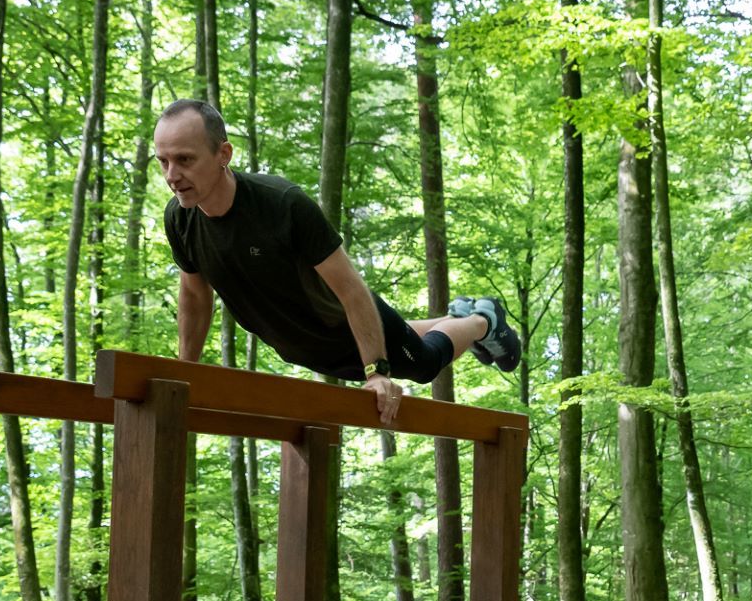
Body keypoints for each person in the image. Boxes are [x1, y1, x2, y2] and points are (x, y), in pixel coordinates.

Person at [155, 99, 521, 424]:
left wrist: (376, 372)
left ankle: (480, 320)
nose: (172, 175)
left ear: (223, 154)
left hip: (345, 326)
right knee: (403, 336)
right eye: (164, 161)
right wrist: (188, 371)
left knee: (422, 364)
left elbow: (351, 290)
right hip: (305, 345)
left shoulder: (282, 205)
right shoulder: (180, 219)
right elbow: (194, 295)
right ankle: (457, 319)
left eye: (185, 159)